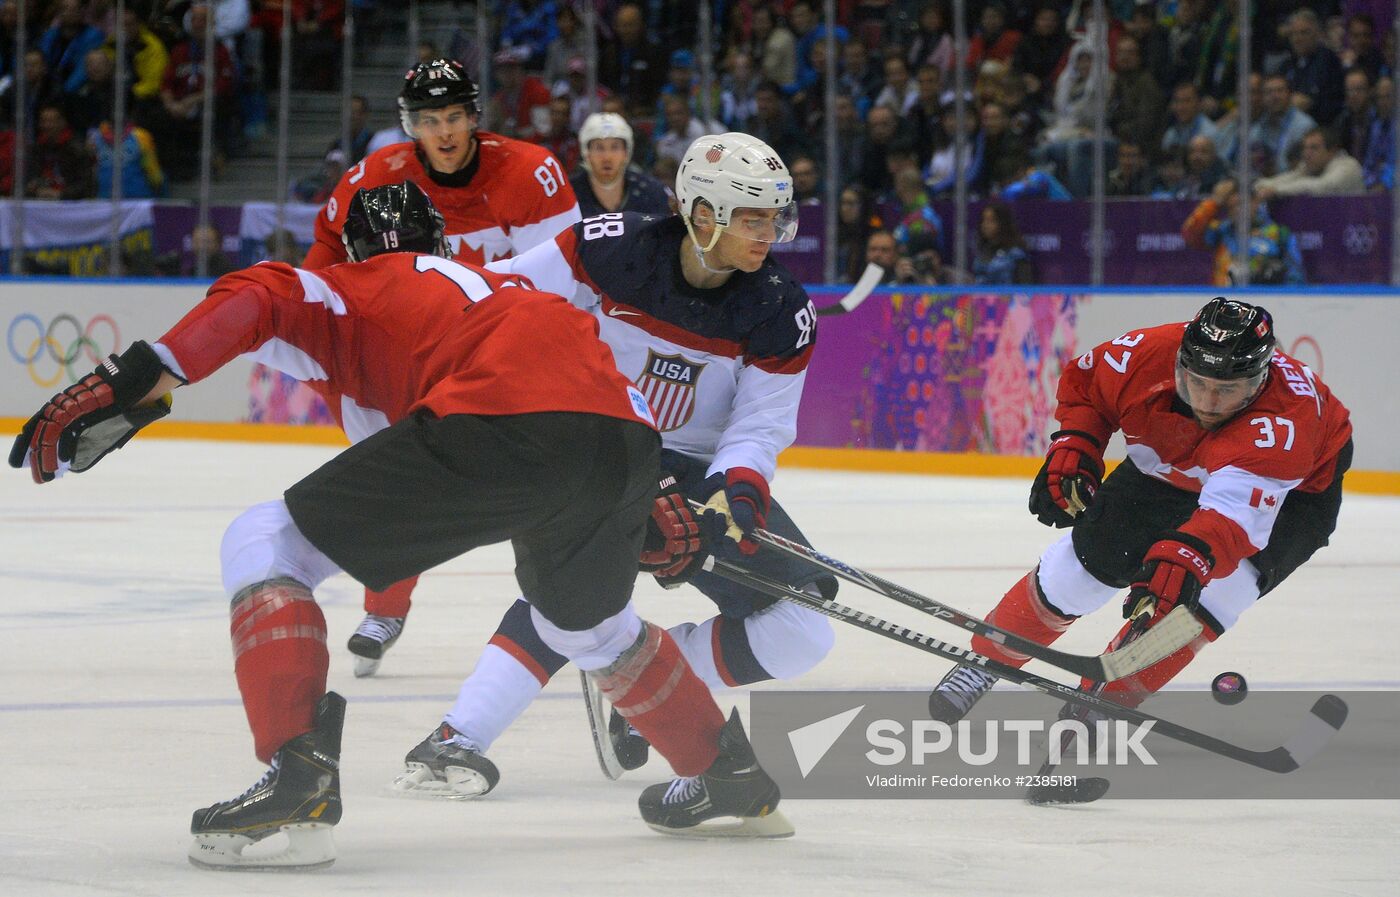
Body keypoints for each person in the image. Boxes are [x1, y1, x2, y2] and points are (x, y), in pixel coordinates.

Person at [8, 182, 788, 869]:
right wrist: (644, 492)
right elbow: (607, 384)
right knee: (590, 627)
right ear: (443, 244)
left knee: (265, 541)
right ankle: (728, 775)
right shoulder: (498, 287)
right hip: (621, 438)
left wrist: (142, 375)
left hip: (498, 421)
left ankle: (298, 775)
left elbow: (257, 300)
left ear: (351, 250)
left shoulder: (349, 284)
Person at [389, 132, 837, 800]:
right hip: (594, 443)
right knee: (570, 590)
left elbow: (759, 427)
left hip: (695, 473)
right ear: (703, 213)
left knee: (805, 627)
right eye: (753, 217)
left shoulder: (781, 310)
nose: (769, 232)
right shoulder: (608, 248)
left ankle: (642, 685)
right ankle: (459, 735)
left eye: (776, 216)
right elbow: (504, 300)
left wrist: (735, 499)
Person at [927, 298, 1352, 728]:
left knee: (1209, 599)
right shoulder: (1143, 354)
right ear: (1180, 364)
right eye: (1196, 383)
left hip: (1293, 496)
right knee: (1081, 568)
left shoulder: (1283, 427)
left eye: (1228, 390)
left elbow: (1229, 521)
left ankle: (1099, 710)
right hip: (1173, 463)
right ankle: (988, 661)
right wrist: (1077, 442)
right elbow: (1087, 389)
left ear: (1261, 379)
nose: (1208, 401)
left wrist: (1186, 560)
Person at [302, 60, 583, 674]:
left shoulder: (531, 173)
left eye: (454, 116)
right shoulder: (374, 175)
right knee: (395, 480)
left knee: (540, 486)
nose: (445, 132)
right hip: (406, 357)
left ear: (474, 118)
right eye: (430, 120)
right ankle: (386, 605)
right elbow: (324, 258)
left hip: (500, 351)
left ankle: (566, 615)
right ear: (411, 126)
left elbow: (567, 273)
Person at [569, 111, 671, 218]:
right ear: (586, 153)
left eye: (615, 147)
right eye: (599, 148)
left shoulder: (653, 192)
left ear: (626, 153)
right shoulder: (568, 194)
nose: (607, 157)